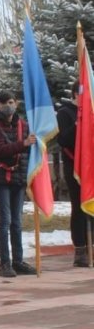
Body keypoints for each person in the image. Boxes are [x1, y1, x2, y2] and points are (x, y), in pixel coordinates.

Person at [0, 90, 37, 277]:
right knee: (5, 221)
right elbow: (0, 150)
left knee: (17, 222)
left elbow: (31, 150)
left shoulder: (23, 125)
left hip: (20, 179)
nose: (9, 105)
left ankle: (18, 260)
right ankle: (4, 264)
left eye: (12, 102)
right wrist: (24, 144)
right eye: (5, 102)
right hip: (2, 179)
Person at [57, 82, 88, 266]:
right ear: (75, 94)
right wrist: (78, 123)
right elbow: (63, 140)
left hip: (89, 166)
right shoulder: (64, 113)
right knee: (78, 208)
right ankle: (80, 250)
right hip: (73, 166)